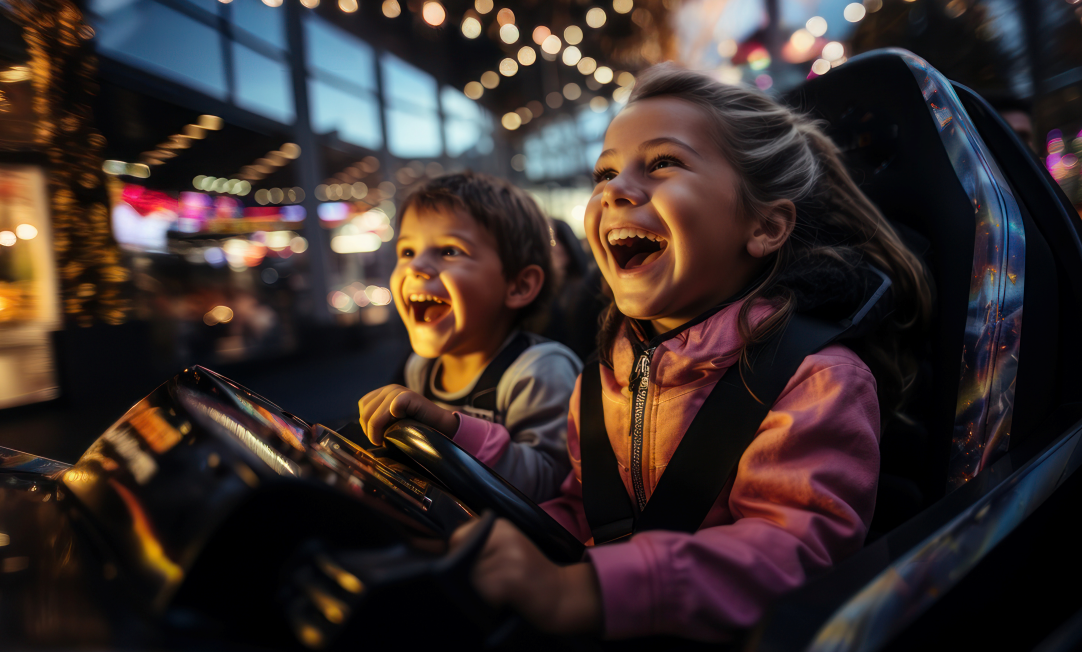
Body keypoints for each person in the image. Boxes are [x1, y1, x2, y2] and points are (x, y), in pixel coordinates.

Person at [366, 64, 932, 640]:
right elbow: (584, 514)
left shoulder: (815, 381)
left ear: (764, 225)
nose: (613, 189)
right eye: (605, 172)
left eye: (663, 163)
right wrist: (489, 542)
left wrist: (585, 589)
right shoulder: (603, 380)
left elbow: (791, 551)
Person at [355, 173, 583, 502]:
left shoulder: (539, 371)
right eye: (406, 251)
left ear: (518, 286)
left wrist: (448, 430)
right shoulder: (422, 368)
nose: (416, 266)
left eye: (449, 250)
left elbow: (552, 484)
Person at [530, 219, 606, 358]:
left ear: (568, 245)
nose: (550, 247)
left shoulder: (586, 291)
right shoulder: (539, 293)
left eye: (553, 240)